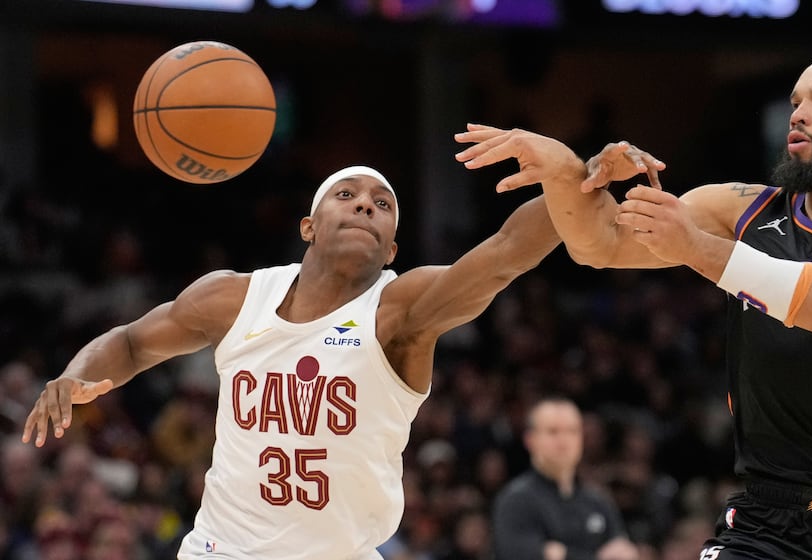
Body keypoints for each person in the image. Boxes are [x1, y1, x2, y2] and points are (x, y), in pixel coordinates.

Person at [455, 52, 812, 559]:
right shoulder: (740, 208)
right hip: (766, 518)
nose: (799, 114)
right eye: (795, 102)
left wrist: (696, 248)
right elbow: (600, 245)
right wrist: (567, 173)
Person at [21, 164, 566, 560]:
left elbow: (504, 254)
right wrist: (75, 376)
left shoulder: (399, 310)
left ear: (391, 251)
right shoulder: (233, 298)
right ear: (308, 227)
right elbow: (132, 342)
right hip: (224, 550)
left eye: (382, 205)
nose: (365, 205)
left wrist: (574, 177)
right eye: (347, 195)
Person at [491, 397, 639, 560]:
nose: (563, 441)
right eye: (553, 432)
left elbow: (623, 552)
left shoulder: (598, 501)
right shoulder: (516, 500)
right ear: (530, 440)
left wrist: (561, 554)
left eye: (572, 431)